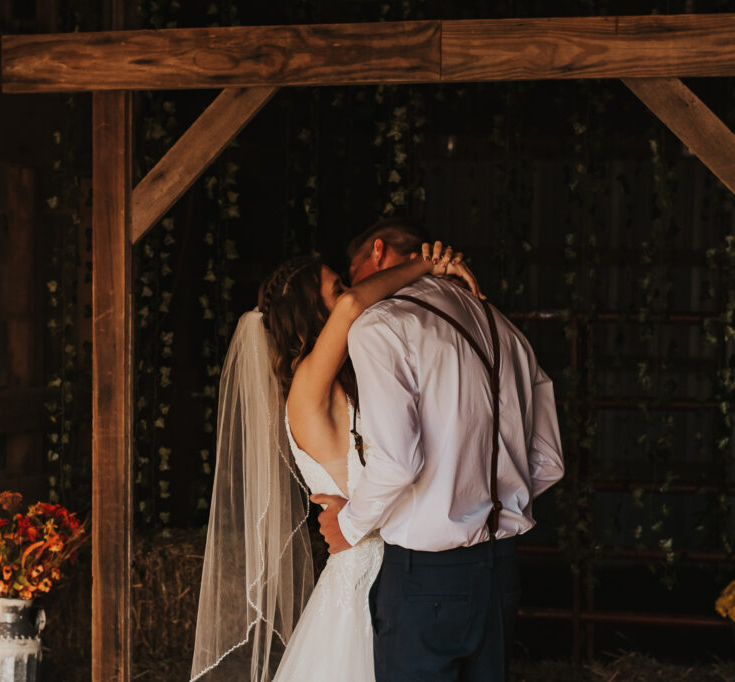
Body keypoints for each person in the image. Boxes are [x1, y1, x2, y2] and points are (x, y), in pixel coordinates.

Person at [190, 229, 482, 682]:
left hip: (392, 572)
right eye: (337, 288)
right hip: (364, 578)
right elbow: (352, 309)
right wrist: (428, 265)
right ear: (312, 310)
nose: (351, 295)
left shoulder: (342, 384)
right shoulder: (306, 389)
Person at [312, 217, 565, 681]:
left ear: (378, 254)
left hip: (424, 580)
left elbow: (397, 462)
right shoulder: (506, 329)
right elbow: (548, 462)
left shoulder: (381, 326)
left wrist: (348, 526)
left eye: (351, 273)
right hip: (502, 571)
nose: (353, 289)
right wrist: (484, 501)